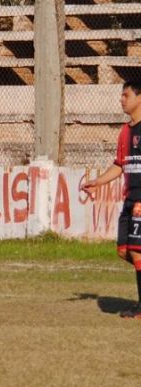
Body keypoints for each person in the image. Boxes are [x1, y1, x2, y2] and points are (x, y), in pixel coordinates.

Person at [83, 80, 141, 318]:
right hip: (130, 200)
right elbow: (120, 165)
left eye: (126, 95)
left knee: (138, 253)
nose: (121, 99)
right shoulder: (125, 131)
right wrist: (98, 181)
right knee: (124, 250)